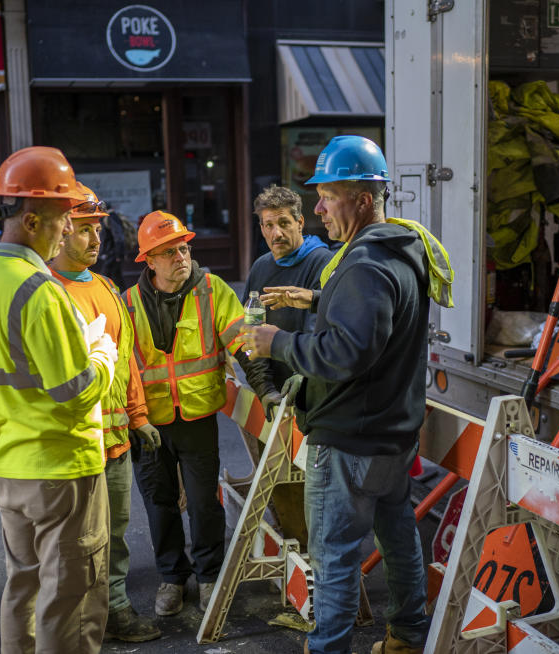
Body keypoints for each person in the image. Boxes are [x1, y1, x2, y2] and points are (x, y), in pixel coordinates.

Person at [238, 135, 455, 654]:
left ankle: (331, 646)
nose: (317, 209)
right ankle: (406, 636)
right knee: (399, 536)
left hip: (350, 439)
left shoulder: (362, 265)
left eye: (327, 196)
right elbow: (378, 321)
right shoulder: (399, 249)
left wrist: (278, 340)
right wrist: (314, 297)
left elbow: (346, 353)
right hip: (391, 435)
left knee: (333, 557)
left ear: (361, 199)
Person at [0, 146, 119, 654]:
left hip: (8, 466)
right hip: (61, 470)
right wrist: (103, 355)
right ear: (31, 220)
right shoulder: (38, 291)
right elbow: (74, 394)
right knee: (71, 597)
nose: (68, 230)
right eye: (63, 219)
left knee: (23, 586)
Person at [123, 210, 281, 616]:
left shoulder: (211, 291)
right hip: (149, 424)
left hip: (196, 419)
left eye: (184, 247)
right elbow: (120, 368)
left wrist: (265, 390)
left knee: (202, 503)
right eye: (169, 251)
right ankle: (172, 578)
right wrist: (130, 421)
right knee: (158, 503)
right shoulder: (127, 304)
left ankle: (209, 576)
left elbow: (246, 344)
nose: (181, 256)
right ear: (149, 260)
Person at [48, 183, 162, 643]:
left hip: (113, 444)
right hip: (72, 448)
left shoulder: (109, 289)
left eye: (99, 229)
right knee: (76, 543)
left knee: (114, 533)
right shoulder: (47, 294)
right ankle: (80, 622)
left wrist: (138, 417)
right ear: (61, 231)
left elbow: (126, 359)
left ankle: (115, 608)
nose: (97, 240)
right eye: (85, 231)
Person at [243, 185, 332, 388]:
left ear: (300, 222)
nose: (277, 233)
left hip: (309, 385)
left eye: (284, 223)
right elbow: (249, 331)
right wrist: (265, 389)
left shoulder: (323, 262)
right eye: (269, 225)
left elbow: (318, 334)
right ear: (262, 228)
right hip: (272, 388)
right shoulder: (260, 266)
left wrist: (302, 380)